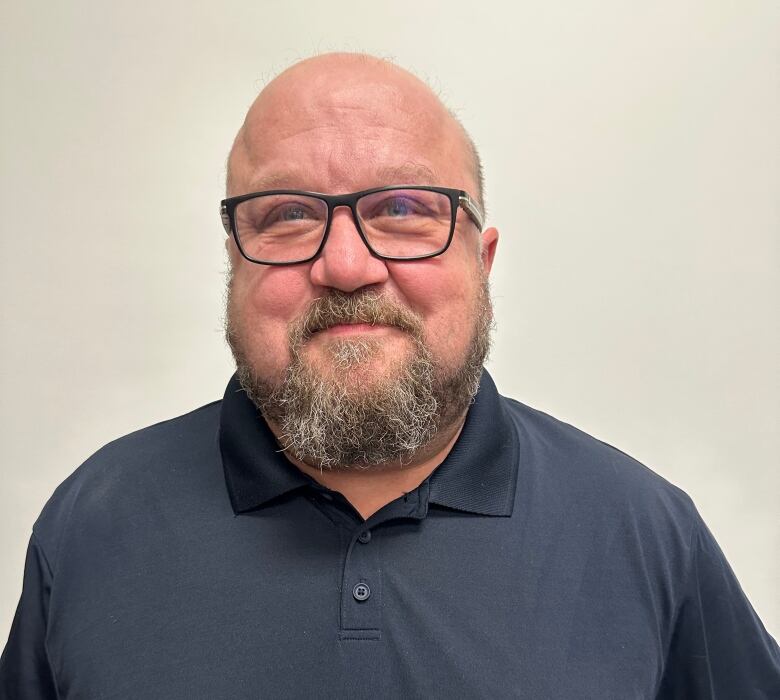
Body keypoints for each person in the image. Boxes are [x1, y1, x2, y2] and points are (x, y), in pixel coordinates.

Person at [1, 52, 778, 699]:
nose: (346, 266)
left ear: (483, 260)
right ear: (234, 264)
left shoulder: (642, 532)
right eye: (287, 214)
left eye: (404, 208)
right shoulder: (93, 525)